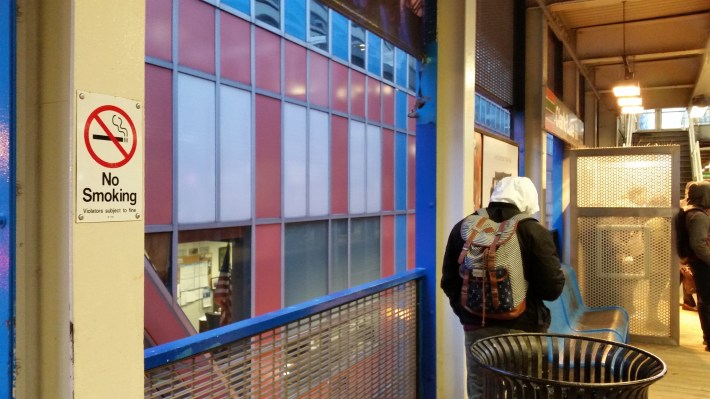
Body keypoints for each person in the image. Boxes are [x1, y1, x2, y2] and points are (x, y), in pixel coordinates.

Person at [440, 176, 565, 398]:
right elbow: (552, 290)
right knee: (526, 390)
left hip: (477, 329)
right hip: (525, 330)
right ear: (528, 201)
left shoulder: (464, 227)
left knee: (481, 390)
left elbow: (449, 281)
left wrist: (467, 314)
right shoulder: (533, 231)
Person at [682, 181, 710, 351]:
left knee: (705, 300)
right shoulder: (698, 216)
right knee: (706, 300)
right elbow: (698, 244)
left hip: (699, 262)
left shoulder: (691, 212)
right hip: (702, 263)